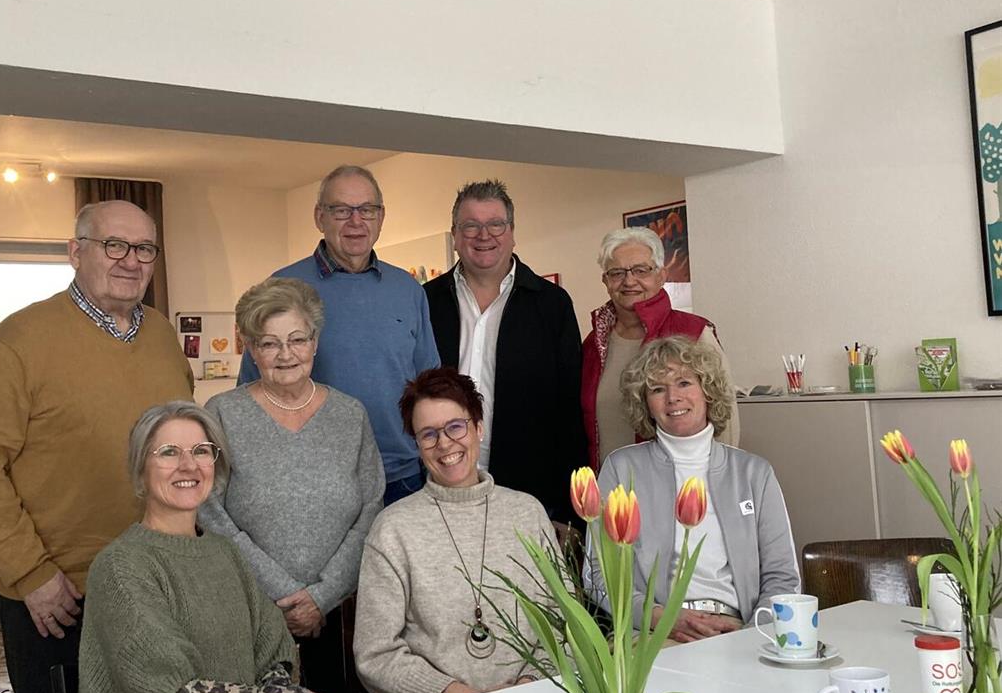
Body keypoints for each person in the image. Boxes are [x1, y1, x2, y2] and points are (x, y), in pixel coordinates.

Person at [0, 200, 193, 693]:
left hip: (153, 582)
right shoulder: (21, 339)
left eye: (144, 249)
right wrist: (31, 573)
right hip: (59, 596)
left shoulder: (163, 335)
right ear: (75, 251)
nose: (131, 260)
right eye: (115, 245)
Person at [70, 402, 367, 693]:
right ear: (141, 468)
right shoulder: (120, 566)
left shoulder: (225, 552)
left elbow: (273, 653)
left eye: (200, 451)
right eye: (169, 452)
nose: (188, 465)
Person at [198, 278, 384, 693]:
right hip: (252, 614)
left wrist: (322, 597)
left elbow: (372, 507)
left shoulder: (350, 414)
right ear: (251, 348)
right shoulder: (222, 413)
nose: (286, 354)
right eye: (269, 343)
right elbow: (210, 512)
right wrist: (284, 593)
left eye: (297, 339)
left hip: (343, 615)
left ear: (315, 342)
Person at [353, 368, 551, 693]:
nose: (444, 444)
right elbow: (376, 653)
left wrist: (525, 689)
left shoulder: (528, 513)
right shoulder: (393, 529)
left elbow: (564, 628)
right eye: (428, 434)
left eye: (455, 427)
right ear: (417, 445)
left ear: (478, 428)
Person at [239, 165, 439, 505]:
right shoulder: (283, 287)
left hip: (401, 477)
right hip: (314, 479)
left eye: (367, 210)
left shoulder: (408, 290)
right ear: (320, 217)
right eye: (342, 210)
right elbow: (251, 390)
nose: (356, 221)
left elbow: (430, 386)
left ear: (381, 216)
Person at [585, 337, 798, 643]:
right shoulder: (621, 468)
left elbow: (783, 575)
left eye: (684, 383)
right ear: (645, 403)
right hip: (651, 632)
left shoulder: (754, 473)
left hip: (739, 629)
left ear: (708, 391)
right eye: (657, 389)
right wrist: (657, 617)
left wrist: (752, 634)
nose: (673, 397)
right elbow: (599, 572)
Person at [423, 179, 586, 521]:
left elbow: (569, 409)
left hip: (529, 492)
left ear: (512, 232)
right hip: (439, 484)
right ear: (455, 235)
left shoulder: (552, 304)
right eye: (471, 226)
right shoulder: (425, 301)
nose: (484, 236)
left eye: (495, 224)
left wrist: (567, 510)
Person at [581, 226, 739, 470]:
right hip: (609, 486)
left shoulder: (694, 333)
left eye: (641, 270)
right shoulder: (593, 344)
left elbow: (725, 422)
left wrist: (717, 479)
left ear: (661, 275)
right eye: (617, 273)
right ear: (606, 281)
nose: (629, 281)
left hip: (682, 484)